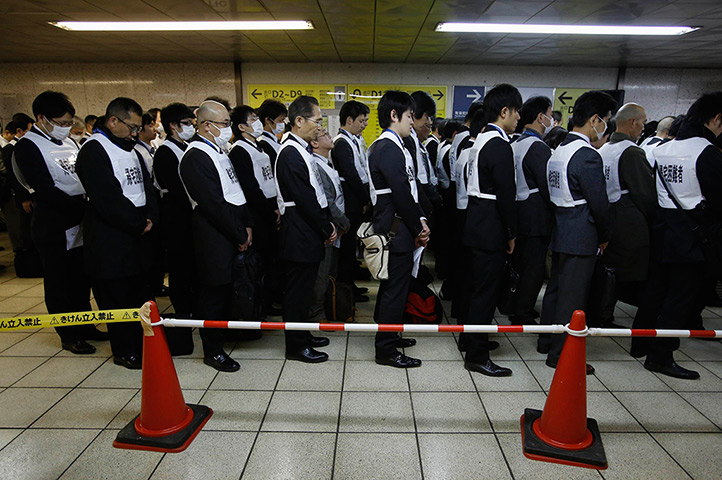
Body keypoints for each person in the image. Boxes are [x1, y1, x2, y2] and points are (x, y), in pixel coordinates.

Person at [631, 92, 722, 380]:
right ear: (716, 118)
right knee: (680, 298)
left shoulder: (664, 149)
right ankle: (660, 356)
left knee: (655, 291)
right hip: (692, 236)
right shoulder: (706, 152)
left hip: (662, 228)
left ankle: (640, 343)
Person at [13, 91, 107, 354]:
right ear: (41, 118)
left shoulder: (70, 143)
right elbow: (44, 188)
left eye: (68, 123)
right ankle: (68, 333)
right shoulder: (28, 145)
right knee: (59, 282)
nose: (66, 128)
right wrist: (84, 208)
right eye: (61, 122)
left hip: (79, 218)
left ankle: (86, 325)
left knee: (80, 278)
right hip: (54, 222)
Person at [75, 97, 158, 370]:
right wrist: (137, 222)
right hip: (111, 237)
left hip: (139, 234)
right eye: (132, 127)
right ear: (113, 121)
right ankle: (125, 351)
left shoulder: (130, 149)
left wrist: (150, 219)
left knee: (139, 294)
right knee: (116, 298)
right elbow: (107, 197)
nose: (136, 133)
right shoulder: (93, 150)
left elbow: (147, 186)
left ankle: (144, 344)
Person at [538, 91, 617, 374]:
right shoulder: (587, 156)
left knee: (557, 291)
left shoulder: (558, 149)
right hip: (581, 231)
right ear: (595, 119)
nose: (605, 126)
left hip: (560, 227)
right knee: (573, 298)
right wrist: (605, 236)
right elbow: (600, 203)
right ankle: (561, 356)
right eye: (606, 120)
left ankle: (547, 341)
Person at [179, 100, 254, 372]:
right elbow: (212, 204)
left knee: (226, 291)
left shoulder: (219, 150)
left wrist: (246, 226)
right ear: (207, 125)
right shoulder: (196, 156)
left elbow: (235, 192)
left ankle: (225, 335)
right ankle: (212, 350)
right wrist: (238, 232)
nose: (228, 129)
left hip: (233, 229)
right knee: (213, 293)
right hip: (213, 234)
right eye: (223, 124)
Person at [460, 84, 521, 377]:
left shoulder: (481, 139)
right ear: (505, 111)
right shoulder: (499, 144)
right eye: (516, 111)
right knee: (485, 292)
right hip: (491, 225)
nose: (519, 117)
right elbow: (507, 195)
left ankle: (472, 338)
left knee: (476, 288)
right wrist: (511, 232)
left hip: (476, 220)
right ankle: (476, 355)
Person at [368, 90, 429, 368]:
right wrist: (419, 226)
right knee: (394, 289)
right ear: (394, 116)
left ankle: (389, 335)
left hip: (398, 224)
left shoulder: (393, 145)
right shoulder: (388, 147)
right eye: (408, 117)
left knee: (394, 286)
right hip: (396, 228)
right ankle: (386, 350)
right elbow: (402, 194)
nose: (412, 122)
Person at [275, 95, 336, 363]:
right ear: (298, 121)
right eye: (317, 121)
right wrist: (325, 227)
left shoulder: (301, 149)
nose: (319, 127)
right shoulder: (289, 152)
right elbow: (305, 198)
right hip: (299, 228)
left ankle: (304, 335)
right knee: (297, 292)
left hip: (306, 227)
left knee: (306, 287)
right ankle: (296, 346)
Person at [597, 103, 656, 319]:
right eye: (642, 122)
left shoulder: (604, 149)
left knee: (608, 270)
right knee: (622, 272)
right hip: (628, 222)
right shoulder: (631, 152)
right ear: (632, 122)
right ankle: (605, 314)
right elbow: (645, 194)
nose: (643, 128)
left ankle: (602, 311)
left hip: (607, 217)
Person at [229, 105, 280, 320]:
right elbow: (250, 188)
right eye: (253, 119)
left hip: (271, 209)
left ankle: (268, 301)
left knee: (270, 261)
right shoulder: (239, 150)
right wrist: (270, 210)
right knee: (259, 263)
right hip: (259, 213)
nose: (258, 122)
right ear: (241, 126)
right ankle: (258, 306)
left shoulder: (259, 146)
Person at [153, 102, 196, 355]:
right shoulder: (166, 151)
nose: (191, 128)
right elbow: (177, 188)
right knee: (179, 264)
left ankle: (190, 303)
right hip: (176, 215)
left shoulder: (186, 147)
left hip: (190, 215)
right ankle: (182, 309)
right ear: (173, 125)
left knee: (190, 263)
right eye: (187, 124)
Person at [510, 96, 554, 326]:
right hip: (536, 216)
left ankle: (516, 304)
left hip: (518, 212)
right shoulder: (538, 147)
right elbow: (548, 187)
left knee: (521, 265)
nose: (552, 120)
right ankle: (523, 312)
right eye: (550, 114)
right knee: (533, 269)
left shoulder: (514, 144)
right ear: (540, 117)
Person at [308, 127, 350, 321]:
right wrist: (344, 223)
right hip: (329, 228)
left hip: (336, 228)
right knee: (321, 273)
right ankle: (317, 312)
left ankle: (329, 306)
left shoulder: (328, 163)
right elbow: (329, 202)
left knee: (330, 271)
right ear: (314, 143)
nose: (330, 136)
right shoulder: (316, 165)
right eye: (324, 135)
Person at [331, 100, 371, 302]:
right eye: (362, 120)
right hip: (350, 200)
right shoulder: (341, 142)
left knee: (352, 247)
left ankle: (351, 285)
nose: (364, 124)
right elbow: (352, 175)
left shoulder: (354, 140)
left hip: (357, 198)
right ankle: (346, 290)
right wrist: (365, 198)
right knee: (347, 248)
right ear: (349, 119)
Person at [134, 112, 167, 298]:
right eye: (151, 125)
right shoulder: (138, 152)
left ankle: (157, 283)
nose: (155, 129)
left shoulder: (150, 148)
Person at [405, 91, 442, 217]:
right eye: (427, 117)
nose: (429, 122)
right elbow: (415, 177)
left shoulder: (415, 139)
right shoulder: (408, 140)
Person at [257, 99, 288, 168]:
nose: (283, 123)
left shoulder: (274, 140)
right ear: (268, 120)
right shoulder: (263, 143)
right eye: (280, 120)